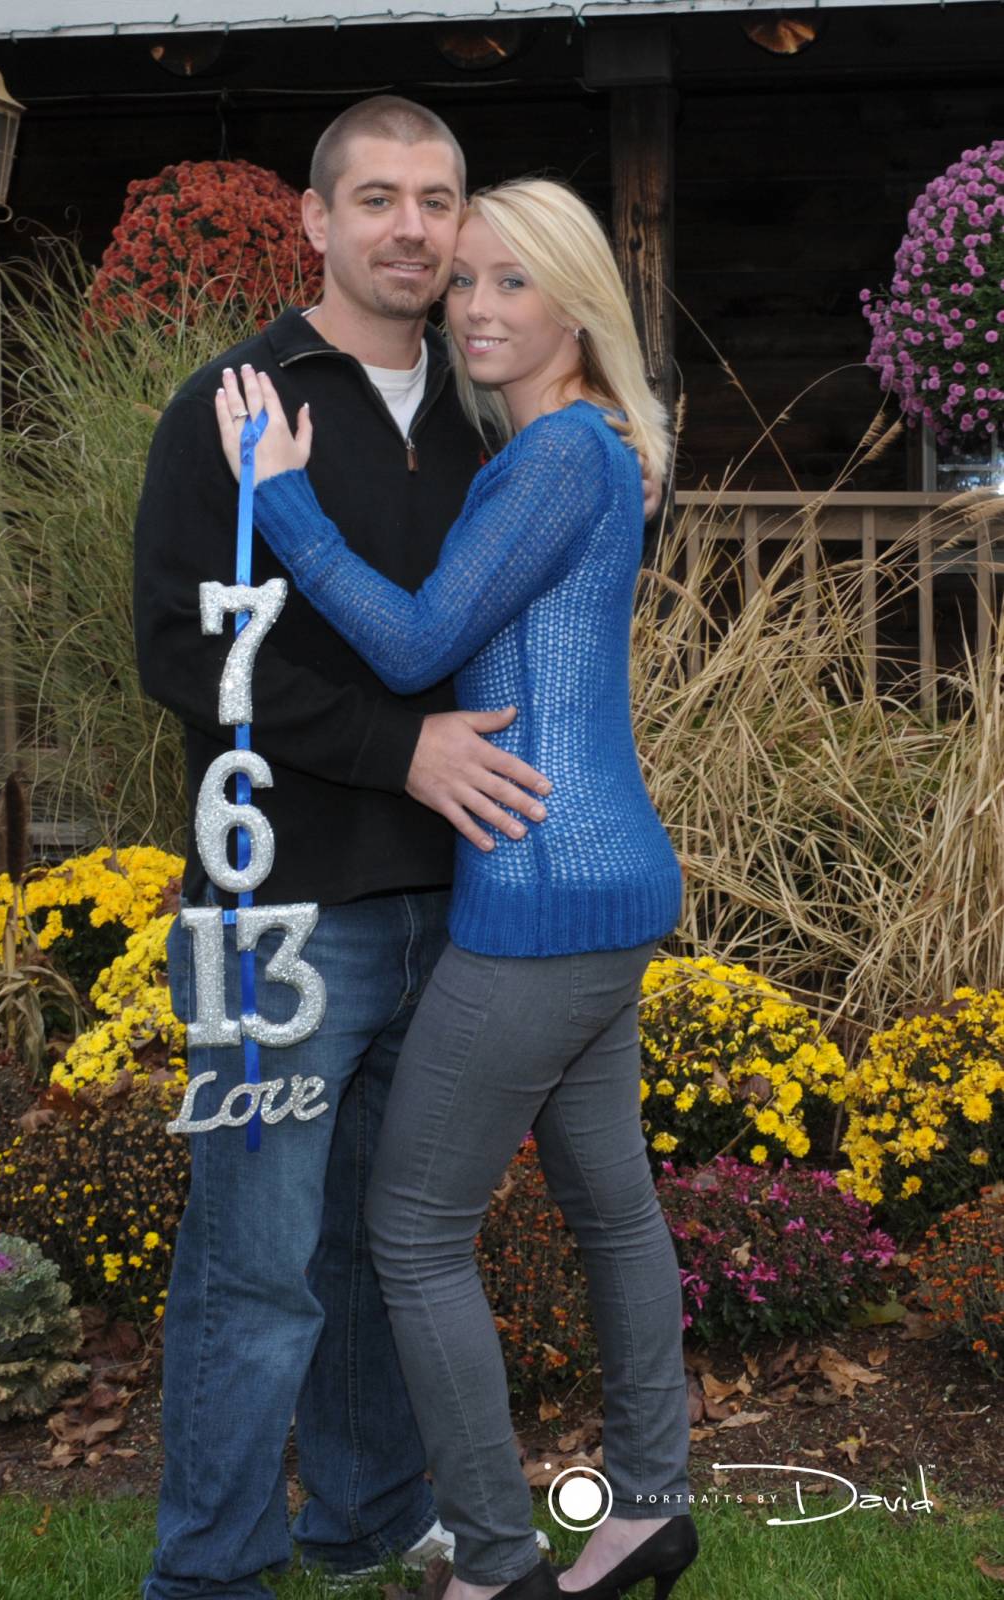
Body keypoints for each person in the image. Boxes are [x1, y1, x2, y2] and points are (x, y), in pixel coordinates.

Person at [213, 177, 698, 1600]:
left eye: (512, 283)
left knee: (414, 1231)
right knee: (613, 1212)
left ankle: (493, 1561)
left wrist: (283, 501)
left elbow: (419, 645)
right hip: (605, 889)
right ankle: (650, 1507)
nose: (475, 308)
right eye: (467, 280)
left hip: (539, 902)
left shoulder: (558, 457)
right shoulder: (589, 448)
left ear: (577, 306)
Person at [133, 98, 565, 1600]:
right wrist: (401, 750)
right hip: (280, 911)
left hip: (460, 902)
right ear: (315, 220)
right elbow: (184, 652)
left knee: (390, 1248)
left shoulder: (487, 405)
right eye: (376, 197)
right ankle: (211, 1570)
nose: (411, 227)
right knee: (255, 1268)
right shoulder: (234, 402)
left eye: (436, 199)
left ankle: (371, 1519)